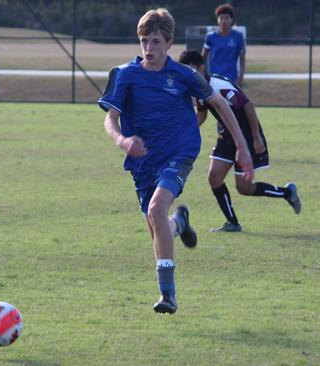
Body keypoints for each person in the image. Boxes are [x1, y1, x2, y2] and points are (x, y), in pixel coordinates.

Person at [99, 9, 254, 315]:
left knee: (157, 209)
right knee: (158, 226)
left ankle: (167, 295)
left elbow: (219, 103)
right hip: (142, 162)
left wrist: (242, 147)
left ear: (169, 43)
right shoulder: (126, 75)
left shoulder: (184, 76)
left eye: (155, 41)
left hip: (179, 153)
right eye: (144, 41)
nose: (148, 48)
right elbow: (110, 119)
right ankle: (178, 223)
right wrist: (122, 140)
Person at [179, 49, 301, 232]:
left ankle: (287, 192)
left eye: (191, 70)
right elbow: (202, 114)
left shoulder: (219, 85)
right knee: (214, 178)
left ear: (201, 67)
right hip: (226, 137)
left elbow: (247, 105)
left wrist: (257, 137)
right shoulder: (198, 89)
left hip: (247, 136)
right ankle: (233, 223)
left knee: (244, 188)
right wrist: (185, 132)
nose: (189, 74)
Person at [202, 3, 246, 86]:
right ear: (217, 20)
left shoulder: (238, 36)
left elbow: (242, 58)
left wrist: (241, 77)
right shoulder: (210, 36)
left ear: (231, 19)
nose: (223, 20)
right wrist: (203, 74)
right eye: (221, 18)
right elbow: (203, 56)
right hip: (214, 79)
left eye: (226, 18)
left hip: (232, 80)